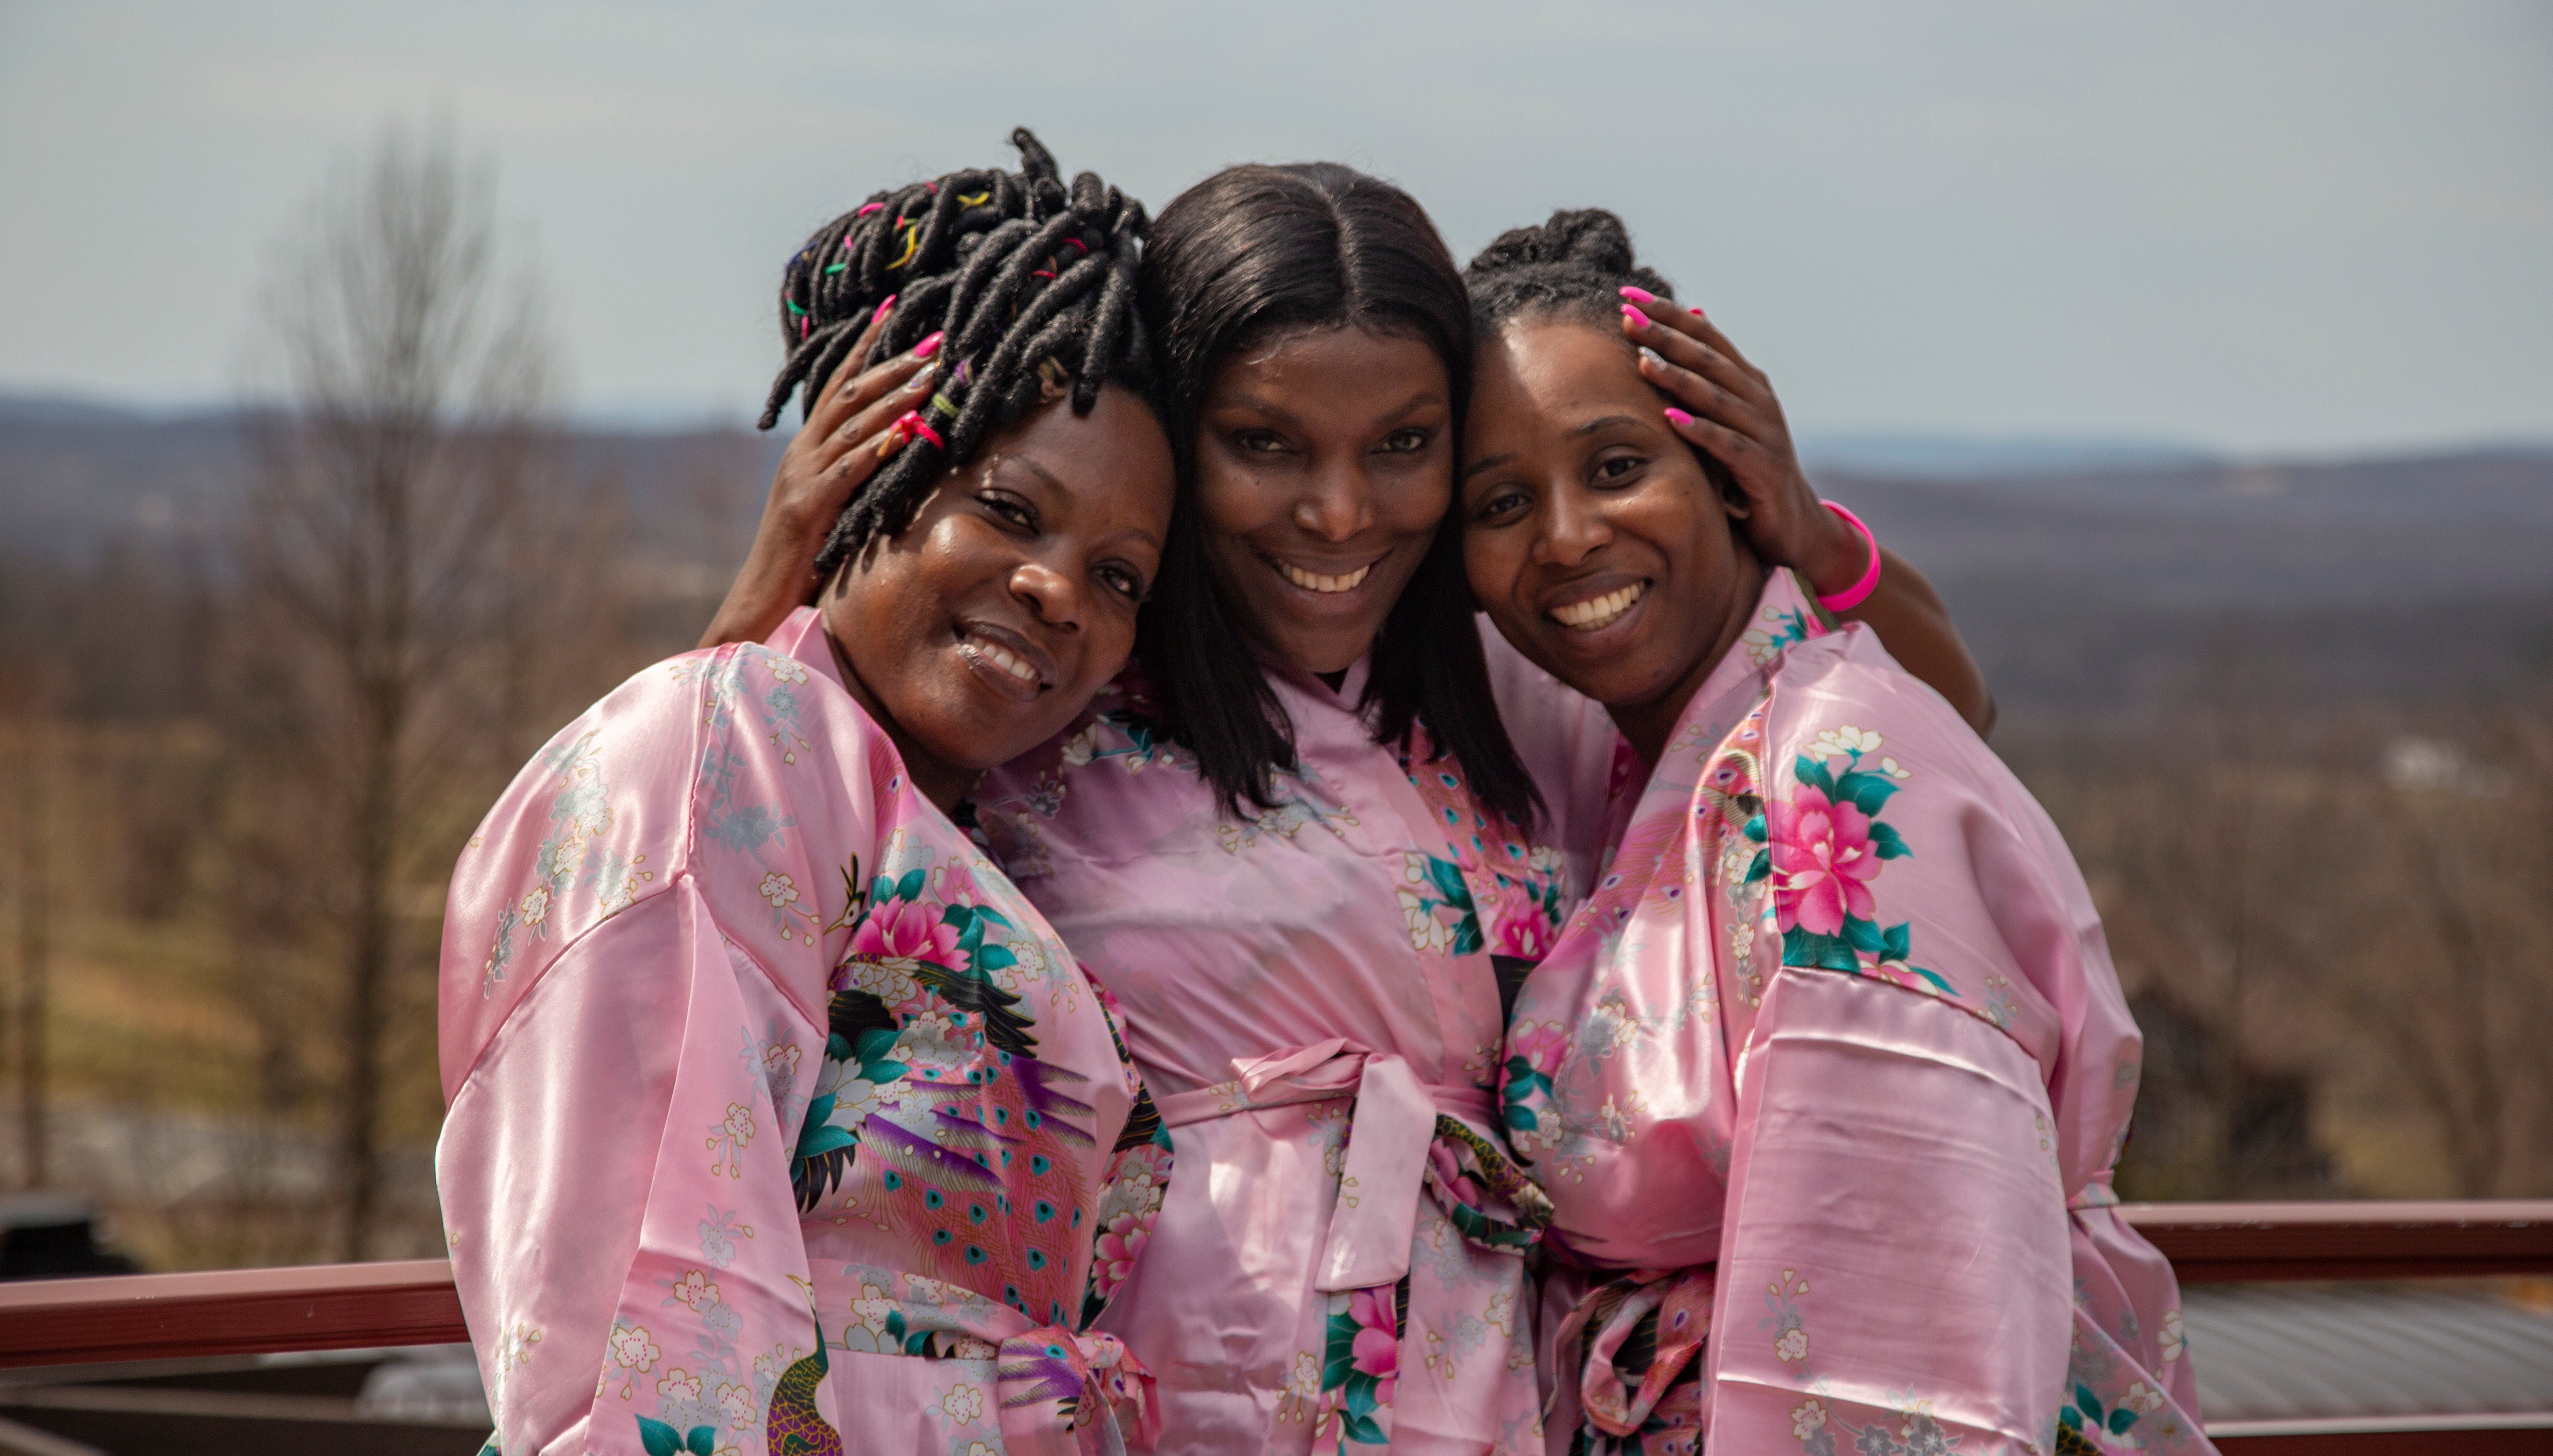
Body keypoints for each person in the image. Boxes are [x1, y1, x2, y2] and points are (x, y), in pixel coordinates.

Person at [705, 161, 1996, 1454]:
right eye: (1265, 443)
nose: (1337, 511)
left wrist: (1806, 535)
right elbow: (730, 821)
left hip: (1499, 1405)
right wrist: (782, 566)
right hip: (1177, 1402)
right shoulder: (1064, 688)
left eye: (1402, 446)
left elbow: (1913, 733)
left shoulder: (1511, 701)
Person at [437, 132, 1180, 1456]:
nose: (1062, 590)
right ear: (860, 472)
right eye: (1010, 509)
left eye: (1120, 576)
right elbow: (646, 1307)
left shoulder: (966, 827)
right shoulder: (729, 750)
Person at [1462, 211, 2211, 1456]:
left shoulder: (1827, 789)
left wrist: (1812, 527)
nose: (1567, 536)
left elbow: (1892, 1355)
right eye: (1499, 501)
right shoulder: (1615, 748)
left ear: (1726, 471)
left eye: (1614, 468)